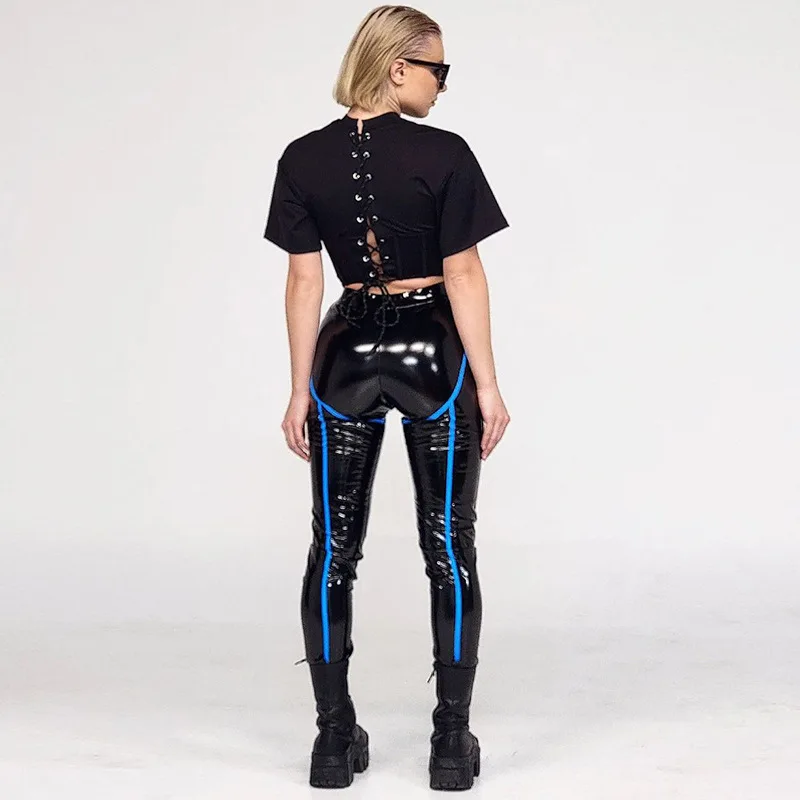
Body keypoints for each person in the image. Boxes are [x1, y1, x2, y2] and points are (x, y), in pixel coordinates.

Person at [262, 5, 511, 790]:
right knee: (449, 546)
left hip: (342, 354)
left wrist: (299, 389)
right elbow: (463, 273)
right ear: (398, 67)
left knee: (332, 549)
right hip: (431, 349)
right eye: (438, 69)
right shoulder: (445, 153)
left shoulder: (302, 157)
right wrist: (489, 384)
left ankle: (332, 740)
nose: (443, 84)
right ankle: (450, 742)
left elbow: (304, 283)